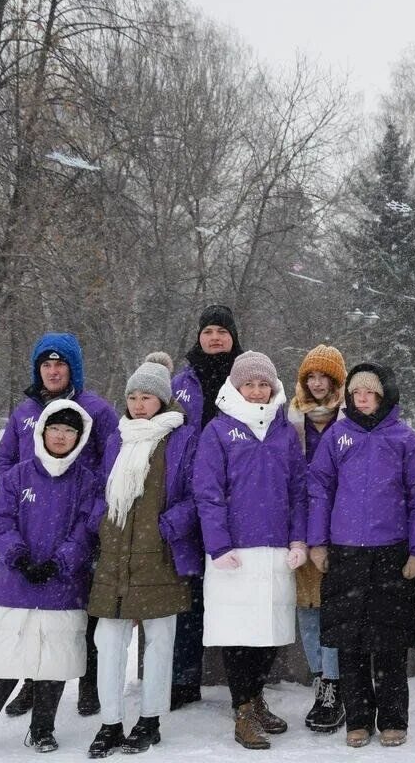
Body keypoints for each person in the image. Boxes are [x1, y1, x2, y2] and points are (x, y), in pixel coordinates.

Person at [0, 401, 101, 754]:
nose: (61, 436)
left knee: (53, 663)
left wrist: (60, 562)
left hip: (62, 588)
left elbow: (86, 530)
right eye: (55, 428)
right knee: (1, 663)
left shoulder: (87, 482)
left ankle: (42, 729)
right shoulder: (18, 476)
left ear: (79, 437)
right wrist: (18, 556)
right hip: (14, 586)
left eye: (69, 431)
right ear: (42, 431)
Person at [307, 363, 415, 749]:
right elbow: (319, 490)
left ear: (384, 396)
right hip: (345, 554)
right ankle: (358, 718)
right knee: (350, 643)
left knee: (390, 643)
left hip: (391, 554)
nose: (362, 399)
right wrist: (317, 542)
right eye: (357, 393)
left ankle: (393, 719)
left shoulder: (405, 440)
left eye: (370, 393)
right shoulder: (336, 437)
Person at [0, 332, 117, 719]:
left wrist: (90, 513)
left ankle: (87, 684)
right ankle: (32, 682)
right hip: (33, 530)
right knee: (35, 612)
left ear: (72, 368)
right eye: (45, 365)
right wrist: (19, 502)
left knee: (83, 611)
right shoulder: (24, 411)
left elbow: (109, 466)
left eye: (59, 364)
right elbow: (5, 460)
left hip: (80, 529)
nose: (51, 371)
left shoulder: (96, 410)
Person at [85, 354, 201, 757]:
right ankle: (110, 723)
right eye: (133, 396)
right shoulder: (118, 436)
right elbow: (102, 487)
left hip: (160, 553)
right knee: (108, 639)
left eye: (147, 396)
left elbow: (194, 494)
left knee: (160, 640)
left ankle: (150, 720)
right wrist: (102, 523)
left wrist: (169, 526)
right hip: (116, 554)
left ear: (163, 400)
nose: (138, 403)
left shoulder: (182, 437)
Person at [193, 351, 308, 750]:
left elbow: (297, 490)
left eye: (264, 384)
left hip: (276, 549)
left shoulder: (284, 432)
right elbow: (207, 494)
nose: (257, 391)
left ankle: (256, 698)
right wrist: (219, 544)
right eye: (250, 384)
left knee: (272, 634)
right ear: (237, 387)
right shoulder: (218, 430)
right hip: (234, 553)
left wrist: (298, 539)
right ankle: (242, 712)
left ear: (273, 388)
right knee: (240, 635)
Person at [170, 304, 244, 710]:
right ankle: (183, 677)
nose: (215, 337)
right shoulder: (180, 383)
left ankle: (243, 684)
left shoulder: (248, 380)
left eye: (222, 331)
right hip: (186, 500)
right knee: (189, 592)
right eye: (208, 330)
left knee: (232, 589)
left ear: (233, 336)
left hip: (233, 501)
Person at [285, 344, 348, 733]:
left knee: (335, 608)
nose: (317, 383)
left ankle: (337, 683)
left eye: (325, 376)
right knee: (308, 608)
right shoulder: (290, 420)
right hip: (299, 525)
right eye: (311, 376)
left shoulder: (349, 421)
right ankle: (321, 679)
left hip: (339, 527)